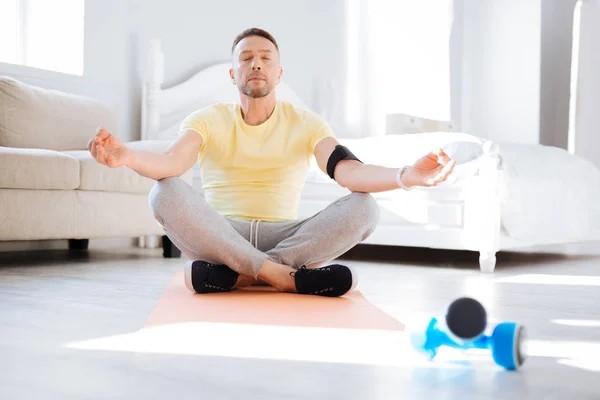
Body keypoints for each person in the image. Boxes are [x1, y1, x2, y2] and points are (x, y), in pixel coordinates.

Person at [88, 28, 456, 298]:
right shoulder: (208, 118)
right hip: (222, 235)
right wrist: (130, 156)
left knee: (364, 206)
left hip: (287, 235)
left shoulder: (307, 122)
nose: (256, 64)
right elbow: (172, 162)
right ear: (233, 74)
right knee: (163, 192)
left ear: (279, 73)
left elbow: (350, 172)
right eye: (246, 58)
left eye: (266, 57)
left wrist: (406, 175)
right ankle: (282, 277)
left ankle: (243, 275)